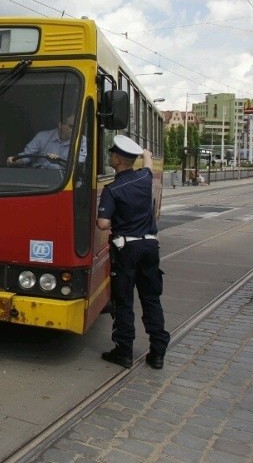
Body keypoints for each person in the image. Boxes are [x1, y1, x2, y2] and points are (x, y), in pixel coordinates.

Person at [97, 135, 170, 370]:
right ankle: (157, 353)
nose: (109, 157)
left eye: (111, 154)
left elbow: (102, 224)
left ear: (118, 160)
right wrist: (145, 154)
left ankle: (124, 352)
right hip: (150, 246)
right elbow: (148, 163)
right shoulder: (143, 177)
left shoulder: (112, 189)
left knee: (124, 301)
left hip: (127, 249)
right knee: (151, 299)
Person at [6, 113, 86, 168]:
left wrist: (60, 161)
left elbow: (79, 165)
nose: (76, 130)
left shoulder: (82, 141)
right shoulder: (42, 137)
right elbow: (27, 156)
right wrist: (14, 160)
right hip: (40, 179)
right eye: (72, 126)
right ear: (60, 124)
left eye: (78, 126)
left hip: (66, 182)